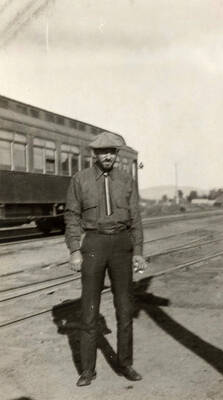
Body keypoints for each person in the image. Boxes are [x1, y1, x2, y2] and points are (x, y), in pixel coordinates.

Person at [64, 131, 147, 387]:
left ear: (117, 154)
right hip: (94, 244)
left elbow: (135, 218)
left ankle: (126, 364)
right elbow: (71, 216)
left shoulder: (126, 179)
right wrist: (74, 250)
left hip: (122, 245)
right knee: (89, 310)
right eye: (103, 152)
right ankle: (88, 370)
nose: (108, 156)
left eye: (112, 151)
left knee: (124, 309)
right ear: (95, 154)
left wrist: (139, 252)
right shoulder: (81, 179)